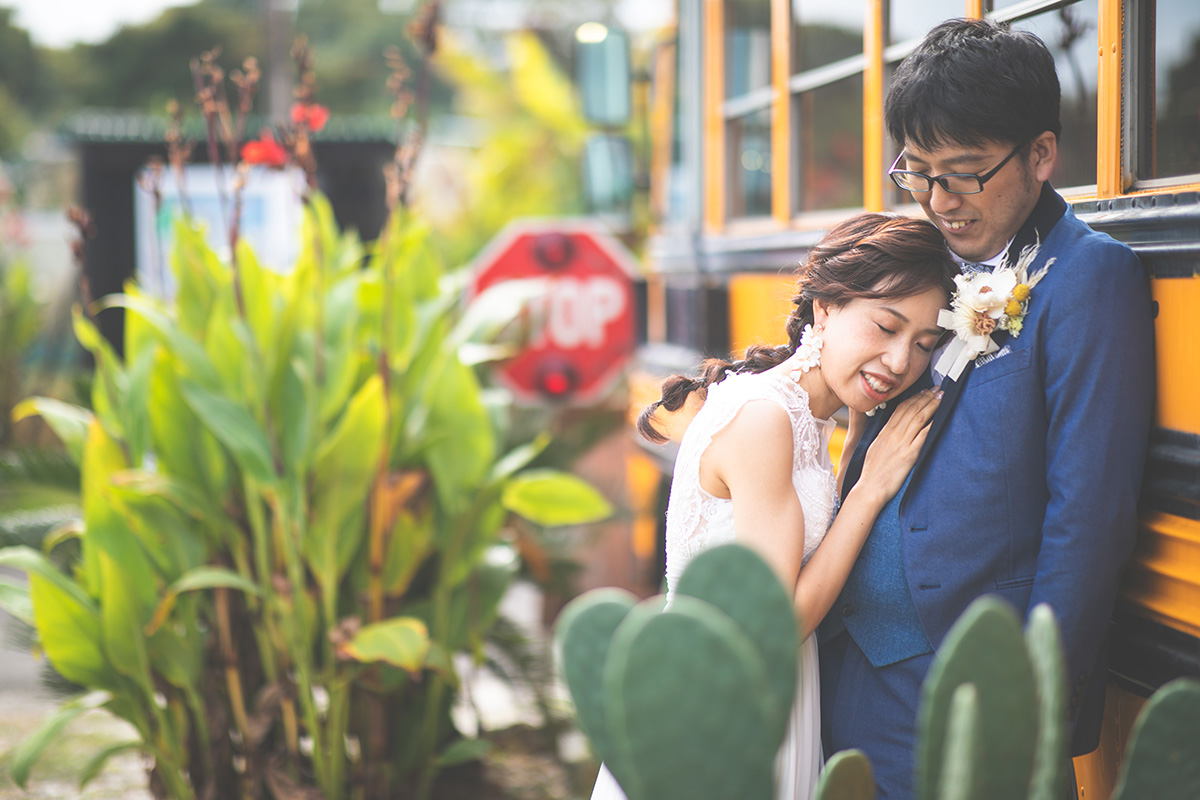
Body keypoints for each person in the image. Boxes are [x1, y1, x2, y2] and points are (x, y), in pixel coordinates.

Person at [819, 18, 1156, 800]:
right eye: (919, 172)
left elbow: (1090, 513)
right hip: (844, 664)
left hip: (965, 682)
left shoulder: (1088, 280)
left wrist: (1025, 701)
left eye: (965, 173)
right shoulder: (917, 262)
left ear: (1041, 155)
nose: (940, 201)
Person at [589, 212, 958, 800]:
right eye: (885, 327)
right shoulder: (764, 418)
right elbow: (776, 622)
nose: (899, 361)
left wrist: (856, 447)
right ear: (825, 310)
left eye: (922, 344)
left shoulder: (804, 418)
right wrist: (869, 488)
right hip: (721, 708)